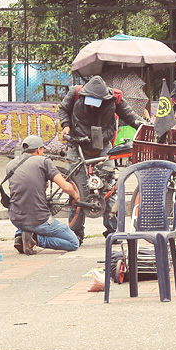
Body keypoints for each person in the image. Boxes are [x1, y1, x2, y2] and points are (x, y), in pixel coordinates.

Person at [58, 74, 143, 239]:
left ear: (105, 98)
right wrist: (66, 125)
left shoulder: (115, 99)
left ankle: (114, 232)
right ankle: (75, 233)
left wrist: (146, 126)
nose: (93, 106)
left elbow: (131, 117)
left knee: (109, 188)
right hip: (77, 145)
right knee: (77, 190)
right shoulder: (75, 93)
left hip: (103, 146)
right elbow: (63, 109)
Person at [4, 135, 80, 254]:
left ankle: (20, 235)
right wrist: (75, 195)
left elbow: (24, 188)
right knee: (73, 243)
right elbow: (66, 187)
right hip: (39, 220)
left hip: (16, 218)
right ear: (39, 149)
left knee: (24, 205)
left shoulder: (11, 165)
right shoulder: (44, 161)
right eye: (43, 150)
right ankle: (35, 239)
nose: (43, 153)